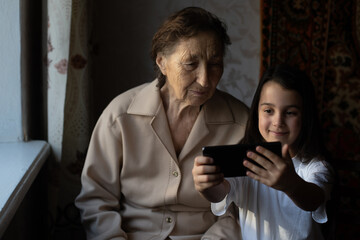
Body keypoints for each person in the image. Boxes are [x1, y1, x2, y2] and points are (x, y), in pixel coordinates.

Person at [75, 6, 249, 240]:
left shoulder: (240, 123)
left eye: (215, 64)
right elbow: (96, 200)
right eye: (190, 64)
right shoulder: (120, 117)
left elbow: (240, 209)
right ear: (162, 62)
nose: (205, 79)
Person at [192, 64, 334, 239]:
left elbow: (313, 200)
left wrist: (290, 184)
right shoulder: (245, 160)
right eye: (268, 111)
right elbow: (219, 193)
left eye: (290, 112)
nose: (278, 121)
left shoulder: (315, 167)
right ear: (257, 113)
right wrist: (205, 185)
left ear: (305, 117)